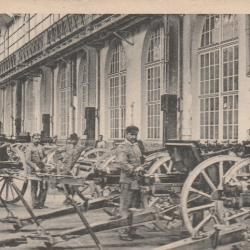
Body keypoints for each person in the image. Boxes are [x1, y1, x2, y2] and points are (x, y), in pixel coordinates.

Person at [112, 125, 144, 241]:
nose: (134, 137)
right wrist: (133, 169)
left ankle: (132, 231)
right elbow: (121, 162)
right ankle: (123, 233)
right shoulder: (123, 147)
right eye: (131, 134)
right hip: (127, 181)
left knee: (134, 208)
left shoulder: (135, 146)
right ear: (126, 134)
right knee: (125, 208)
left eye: (135, 134)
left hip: (136, 181)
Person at [55, 133, 87, 205]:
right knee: (64, 183)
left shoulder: (81, 148)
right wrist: (61, 158)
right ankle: (69, 199)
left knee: (73, 184)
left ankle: (69, 199)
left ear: (77, 140)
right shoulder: (67, 147)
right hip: (65, 167)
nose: (73, 141)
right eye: (72, 140)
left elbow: (86, 153)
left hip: (74, 168)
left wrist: (82, 157)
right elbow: (57, 151)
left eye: (74, 140)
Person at [26, 133, 48, 209]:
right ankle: (35, 204)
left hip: (42, 167)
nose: (37, 140)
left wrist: (45, 160)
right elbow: (27, 160)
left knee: (44, 185)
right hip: (33, 168)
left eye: (38, 138)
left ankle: (41, 203)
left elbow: (45, 156)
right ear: (32, 139)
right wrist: (35, 167)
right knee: (34, 186)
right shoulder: (29, 148)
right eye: (36, 138)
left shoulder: (41, 147)